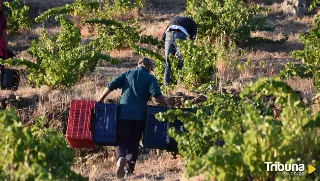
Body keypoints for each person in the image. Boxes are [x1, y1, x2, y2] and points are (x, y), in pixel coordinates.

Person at [97, 57, 170, 179]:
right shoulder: (150, 78)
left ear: (138, 65)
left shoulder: (127, 74)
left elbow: (111, 84)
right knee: (133, 143)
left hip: (123, 114)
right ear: (149, 68)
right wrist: (167, 105)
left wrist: (100, 99)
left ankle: (120, 157)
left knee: (120, 140)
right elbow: (156, 94)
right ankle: (129, 170)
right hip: (139, 117)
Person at [162, 16, 197, 86]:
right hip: (180, 35)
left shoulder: (174, 18)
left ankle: (166, 85)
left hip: (168, 33)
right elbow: (192, 39)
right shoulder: (194, 24)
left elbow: (163, 36)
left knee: (168, 62)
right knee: (181, 61)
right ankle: (181, 84)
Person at [0, 0, 8, 88]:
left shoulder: (2, 16)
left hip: (0, 44)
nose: (0, 5)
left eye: (1, 3)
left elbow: (4, 32)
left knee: (2, 65)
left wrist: (6, 47)